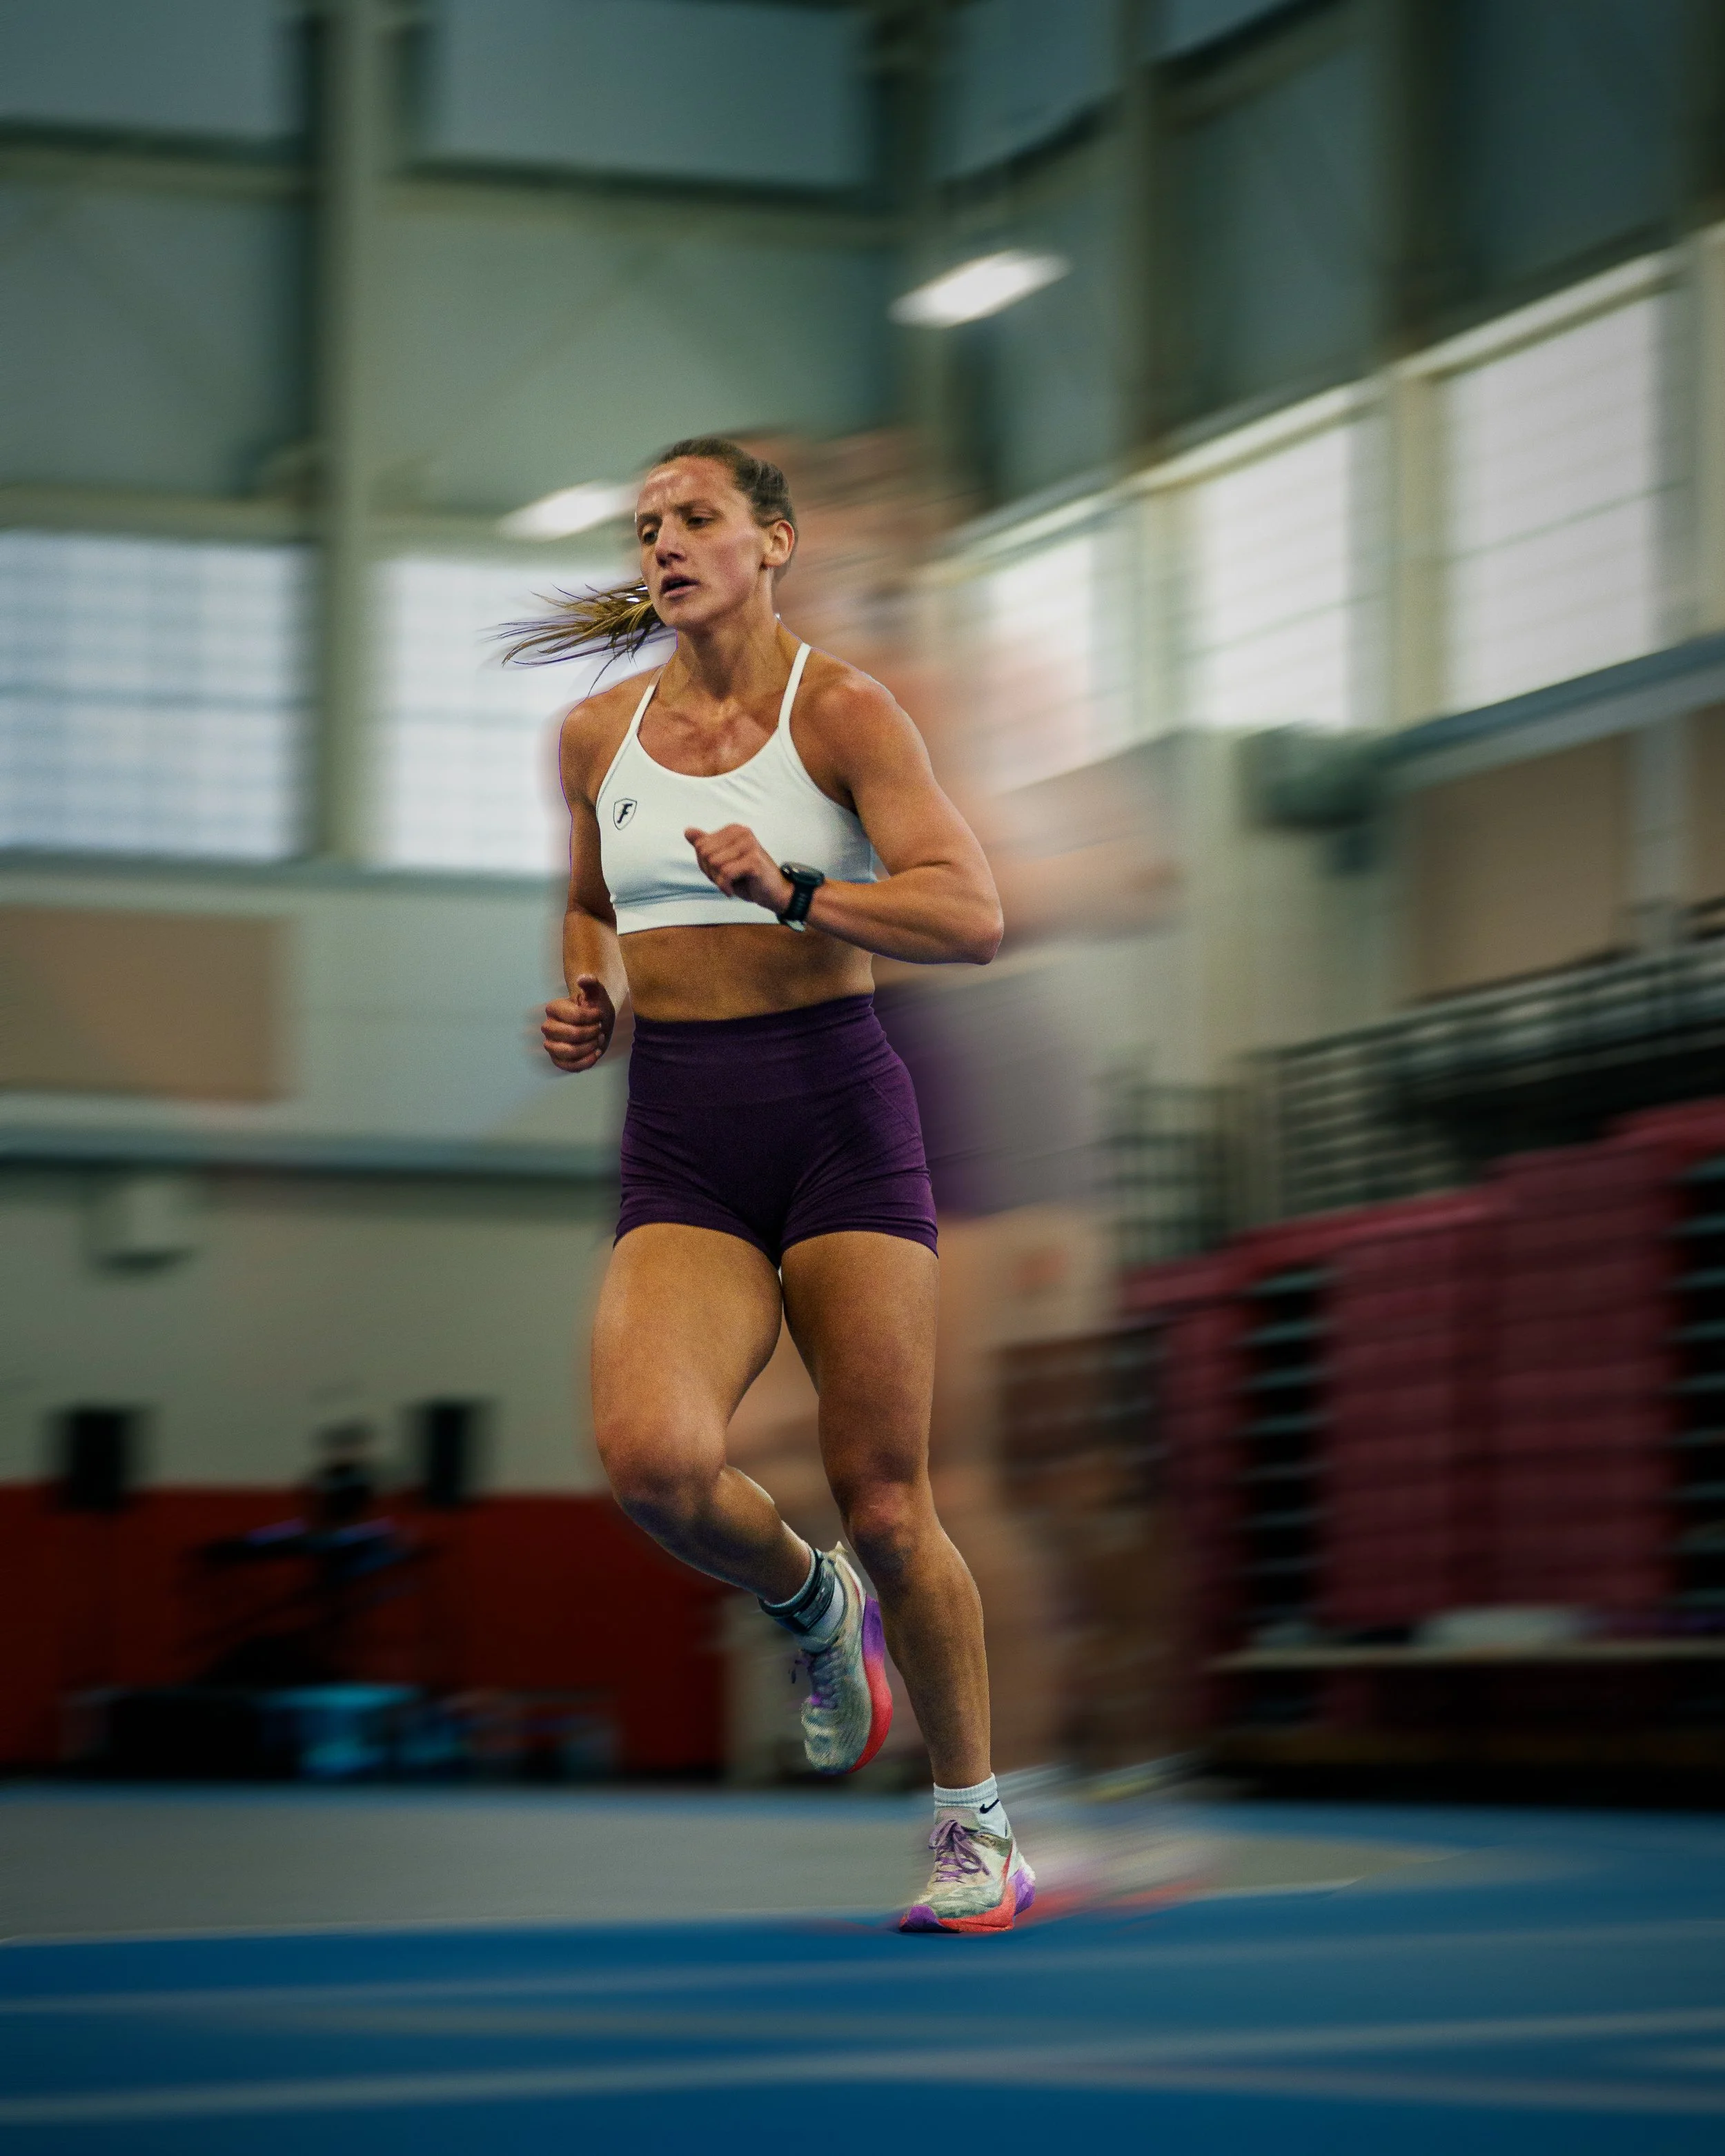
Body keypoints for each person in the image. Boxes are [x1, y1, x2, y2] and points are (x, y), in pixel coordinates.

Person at [511, 435, 1033, 1932]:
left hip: (836, 1121)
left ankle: (976, 1827)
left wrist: (796, 888)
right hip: (683, 1133)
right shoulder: (593, 732)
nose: (665, 544)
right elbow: (587, 901)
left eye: (696, 518)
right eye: (647, 526)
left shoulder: (844, 711)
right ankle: (810, 1599)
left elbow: (970, 916)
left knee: (890, 1500)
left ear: (773, 542)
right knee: (653, 1464)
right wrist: (589, 996)